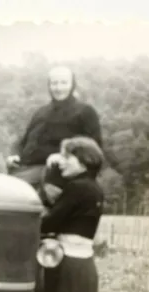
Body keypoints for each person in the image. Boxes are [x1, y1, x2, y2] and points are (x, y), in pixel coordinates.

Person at [20, 136, 106, 292]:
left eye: (69, 157)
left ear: (84, 161)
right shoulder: (92, 187)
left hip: (67, 264)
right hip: (84, 265)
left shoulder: (78, 188)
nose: (63, 163)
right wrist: (55, 161)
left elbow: (50, 221)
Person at [8, 66, 104, 206]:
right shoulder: (41, 112)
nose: (58, 88)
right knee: (0, 188)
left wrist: (63, 156)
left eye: (63, 83)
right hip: (24, 169)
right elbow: (23, 142)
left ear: (72, 84)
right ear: (49, 85)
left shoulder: (85, 112)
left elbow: (94, 151)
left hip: (56, 173)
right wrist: (14, 155)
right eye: (54, 83)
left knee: (18, 197)